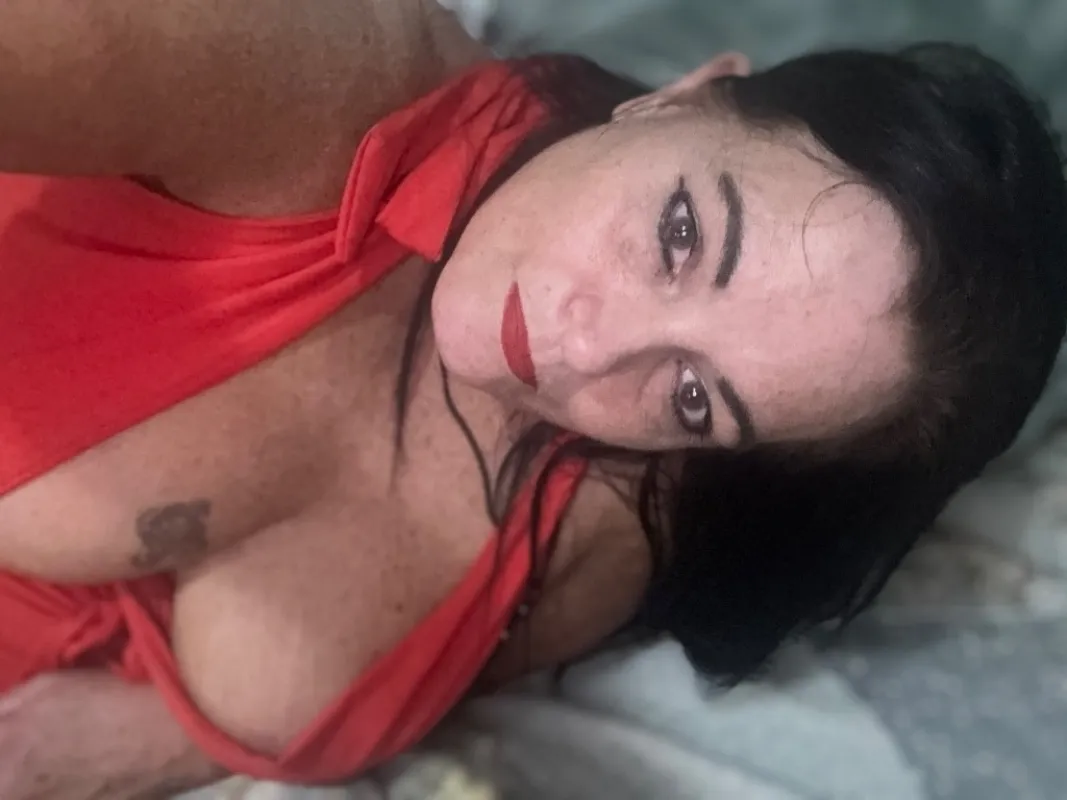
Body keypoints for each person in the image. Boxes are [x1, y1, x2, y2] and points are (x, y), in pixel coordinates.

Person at [1, 0, 1065, 796]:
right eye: (681, 234)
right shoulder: (292, 63)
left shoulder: (620, 508)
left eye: (696, 396)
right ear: (681, 95)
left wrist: (166, 743)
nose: (584, 350)